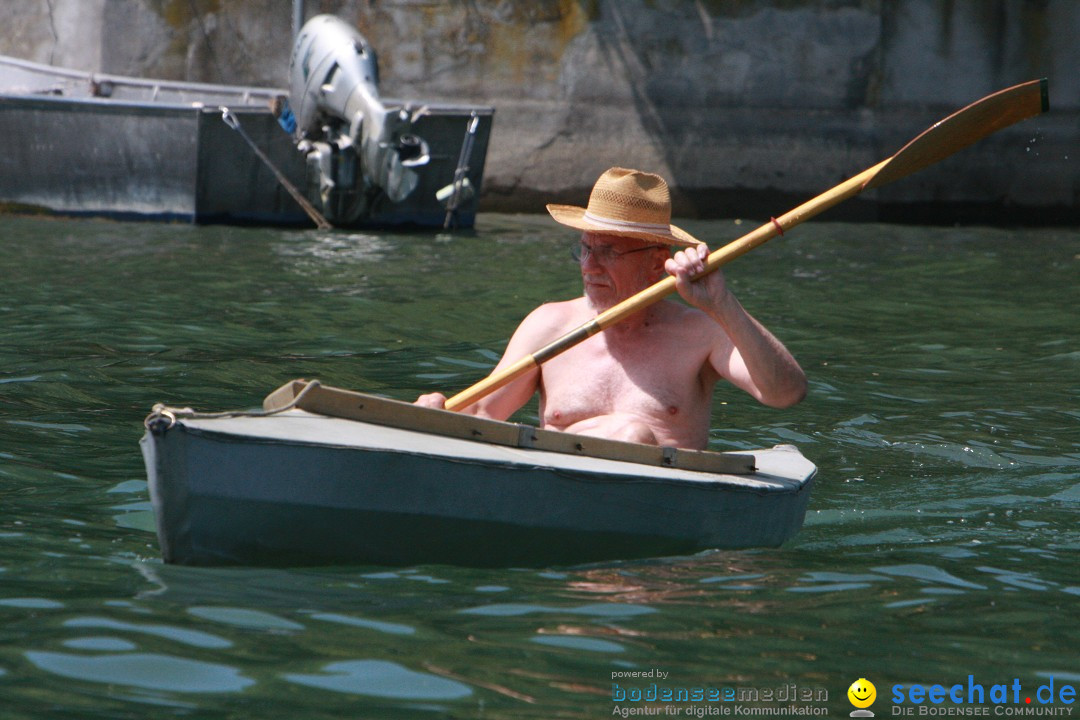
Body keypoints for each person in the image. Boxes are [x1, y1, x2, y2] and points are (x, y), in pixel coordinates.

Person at [416, 167, 806, 450]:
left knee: (634, 434)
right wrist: (438, 413)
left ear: (657, 261)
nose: (588, 265)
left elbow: (785, 393)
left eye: (608, 251)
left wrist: (723, 304)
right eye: (585, 248)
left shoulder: (702, 332)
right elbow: (483, 413)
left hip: (659, 525)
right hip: (557, 494)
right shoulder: (549, 324)